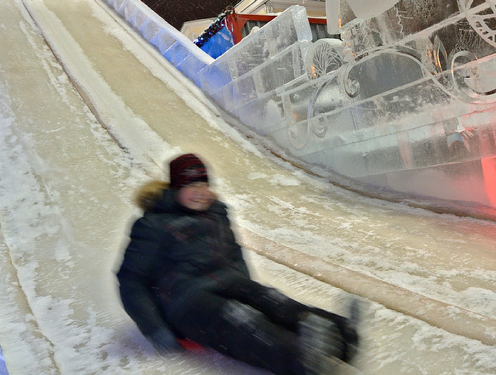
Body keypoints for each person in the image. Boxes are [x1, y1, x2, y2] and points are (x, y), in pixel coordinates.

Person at [117, 154, 359, 375]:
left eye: (204, 184)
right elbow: (131, 280)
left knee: (272, 300)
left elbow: (234, 255)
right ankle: (304, 359)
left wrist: (248, 289)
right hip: (187, 300)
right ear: (175, 189)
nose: (200, 191)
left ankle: (337, 331)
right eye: (191, 185)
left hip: (228, 281)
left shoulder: (216, 213)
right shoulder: (154, 224)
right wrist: (154, 328)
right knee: (241, 321)